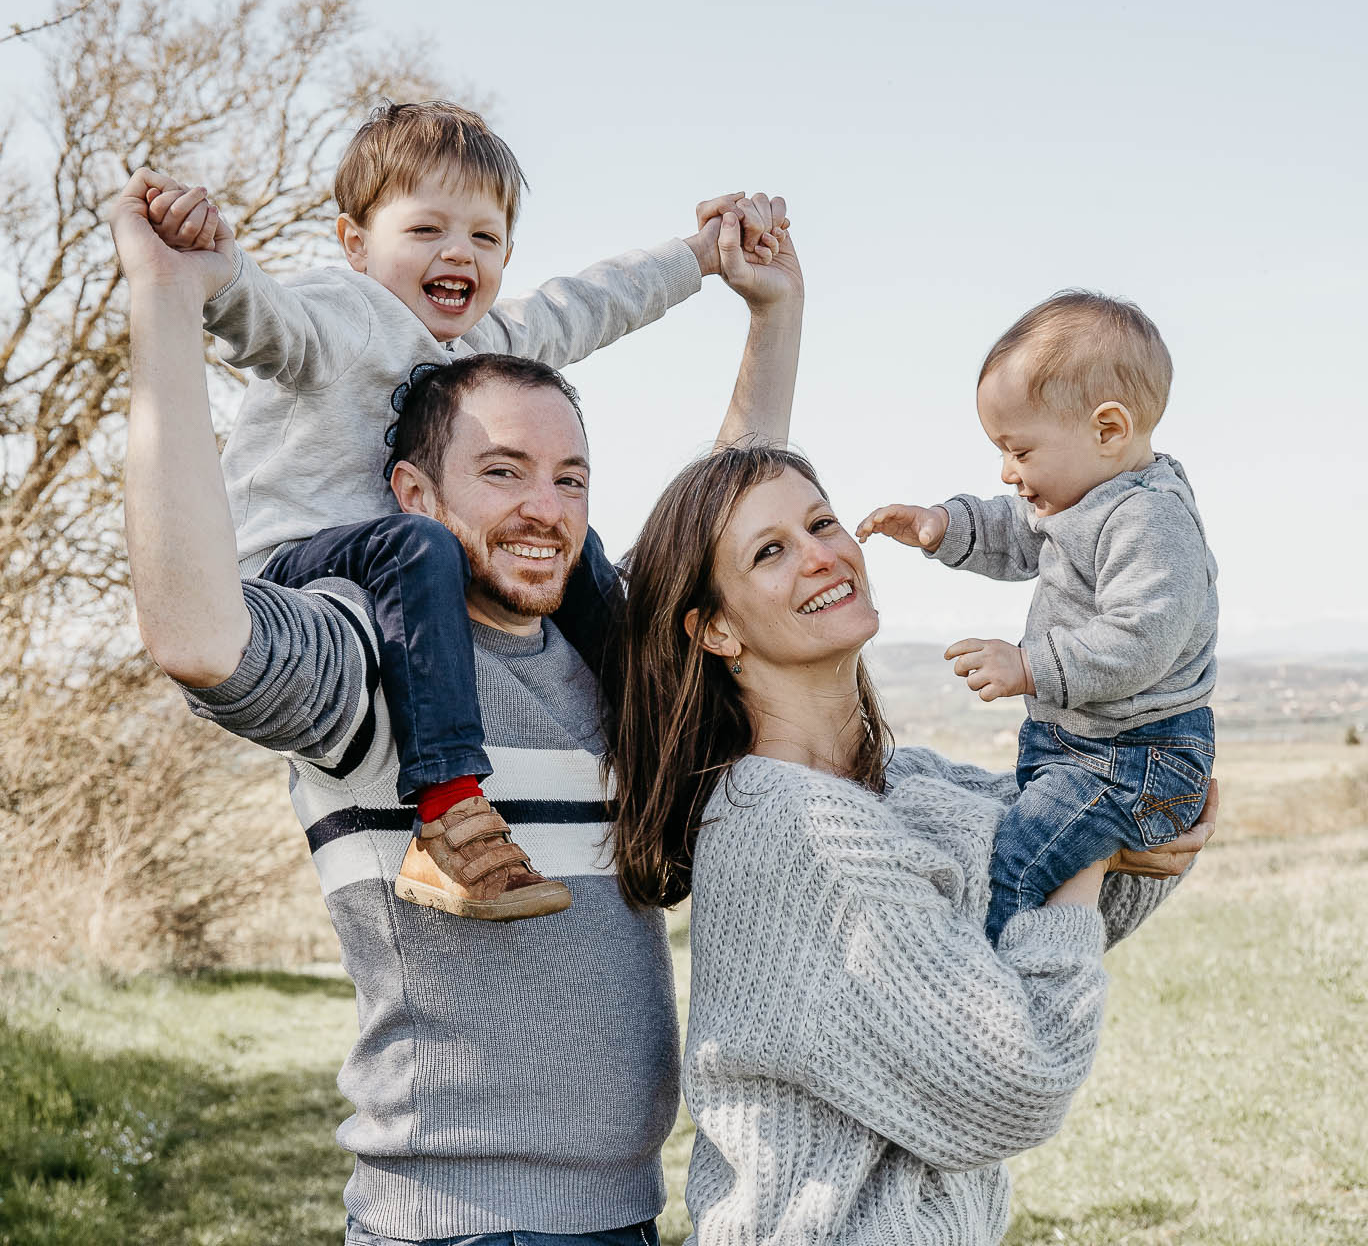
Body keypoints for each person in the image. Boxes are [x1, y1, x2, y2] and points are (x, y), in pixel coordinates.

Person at [112, 164, 805, 1245]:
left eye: (571, 478)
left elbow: (724, 531)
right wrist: (165, 298)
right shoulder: (368, 665)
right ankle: (452, 810)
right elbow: (200, 636)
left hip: (627, 1212)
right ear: (415, 493)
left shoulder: (598, 659)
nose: (544, 505)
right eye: (504, 470)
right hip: (457, 1224)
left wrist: (763, 306)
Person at [140, 96, 787, 921]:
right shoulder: (346, 312)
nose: (459, 253)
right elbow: (270, 323)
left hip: (404, 560)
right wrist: (215, 268)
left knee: (579, 554)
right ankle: (447, 811)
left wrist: (701, 254)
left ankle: (653, 744)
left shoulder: (481, 351)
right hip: (288, 574)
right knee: (424, 547)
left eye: (483, 238)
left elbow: (590, 303)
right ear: (355, 244)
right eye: (426, 231)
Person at [603, 443, 1215, 1244]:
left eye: (821, 522)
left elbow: (1093, 896)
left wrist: (1130, 805)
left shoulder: (904, 788)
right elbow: (1015, 1079)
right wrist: (1095, 834)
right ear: (716, 629)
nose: (822, 556)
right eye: (771, 551)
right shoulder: (797, 827)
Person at [857, 291, 1217, 942]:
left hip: (1137, 758)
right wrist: (944, 526)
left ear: (1108, 430)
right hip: (1078, 748)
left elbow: (1140, 641)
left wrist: (1029, 665)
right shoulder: (1079, 500)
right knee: (1022, 855)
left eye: (1019, 451)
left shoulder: (1152, 519)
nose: (1007, 471)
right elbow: (1013, 528)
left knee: (1015, 866)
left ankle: (992, 1002)